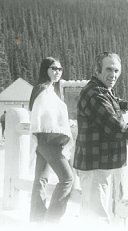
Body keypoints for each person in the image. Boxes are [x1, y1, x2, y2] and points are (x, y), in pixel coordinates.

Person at [73, 51, 128, 223]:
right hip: (95, 166)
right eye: (109, 69)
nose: (113, 75)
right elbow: (117, 128)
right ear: (98, 70)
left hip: (99, 164)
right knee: (97, 218)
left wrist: (126, 104)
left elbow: (111, 100)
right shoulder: (94, 93)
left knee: (97, 215)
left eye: (117, 71)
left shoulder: (101, 90)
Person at [29, 57, 74, 223]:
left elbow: (46, 116)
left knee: (40, 179)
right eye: (54, 68)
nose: (58, 72)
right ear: (45, 69)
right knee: (68, 178)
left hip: (43, 139)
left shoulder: (47, 89)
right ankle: (51, 221)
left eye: (60, 69)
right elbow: (40, 116)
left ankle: (37, 219)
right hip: (48, 139)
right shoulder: (43, 90)